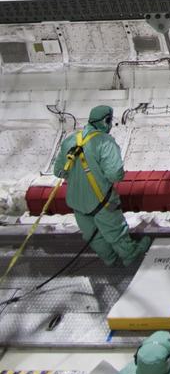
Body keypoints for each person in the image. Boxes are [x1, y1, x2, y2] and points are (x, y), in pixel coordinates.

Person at [53, 104, 150, 267]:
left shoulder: (70, 139)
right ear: (106, 121)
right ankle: (131, 255)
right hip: (101, 200)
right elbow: (115, 174)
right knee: (115, 231)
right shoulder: (105, 142)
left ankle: (110, 260)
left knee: (93, 236)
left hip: (76, 202)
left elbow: (59, 171)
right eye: (110, 121)